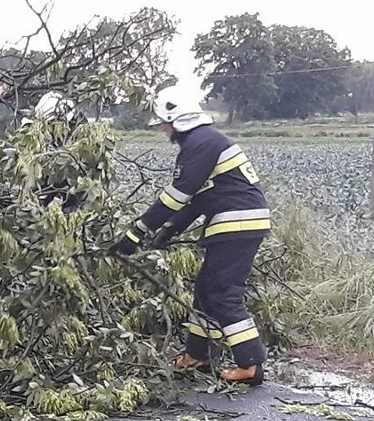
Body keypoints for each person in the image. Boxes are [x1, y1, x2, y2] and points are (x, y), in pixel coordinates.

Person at [108, 87, 270, 386]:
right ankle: (198, 354)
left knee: (223, 292)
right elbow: (199, 198)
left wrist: (136, 232)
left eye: (164, 124)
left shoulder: (200, 143)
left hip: (237, 224)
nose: (163, 130)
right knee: (206, 290)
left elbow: (176, 197)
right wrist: (170, 229)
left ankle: (251, 364)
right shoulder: (205, 141)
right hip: (238, 223)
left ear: (176, 119)